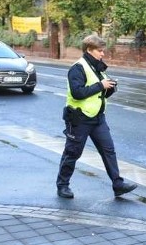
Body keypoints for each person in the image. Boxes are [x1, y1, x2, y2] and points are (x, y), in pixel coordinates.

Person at [56, 34, 137, 199]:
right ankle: (62, 186)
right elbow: (78, 93)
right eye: (100, 51)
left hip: (98, 119)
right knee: (72, 153)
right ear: (89, 50)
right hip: (79, 119)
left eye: (103, 51)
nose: (103, 54)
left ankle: (118, 184)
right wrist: (101, 85)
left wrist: (109, 88)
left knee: (109, 151)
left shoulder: (97, 67)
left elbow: (99, 95)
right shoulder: (77, 68)